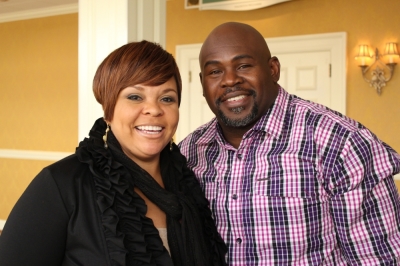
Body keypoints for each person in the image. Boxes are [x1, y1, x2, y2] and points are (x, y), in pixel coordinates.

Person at [178, 22, 400, 265]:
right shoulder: (189, 152)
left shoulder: (342, 143)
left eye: (243, 65)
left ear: (273, 69)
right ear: (202, 83)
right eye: (215, 72)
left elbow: (379, 260)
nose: (230, 80)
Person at [0, 41, 227, 266]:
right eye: (135, 97)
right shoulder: (61, 184)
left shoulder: (190, 184)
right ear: (108, 110)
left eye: (167, 98)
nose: (154, 109)